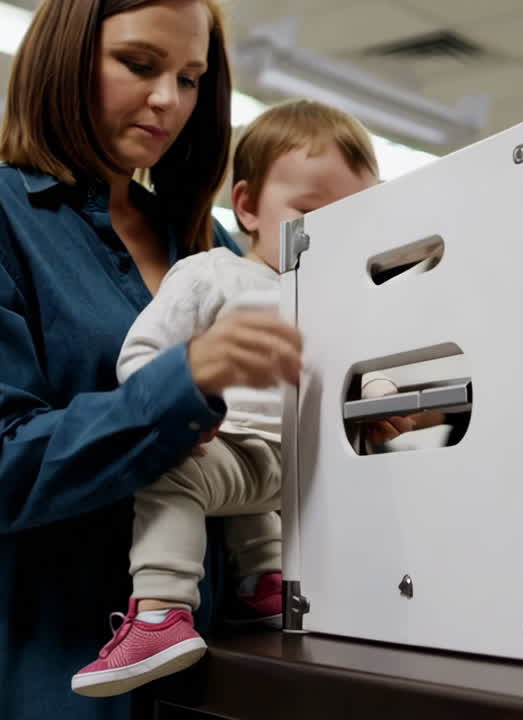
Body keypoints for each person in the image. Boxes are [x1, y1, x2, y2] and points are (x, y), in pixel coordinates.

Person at [0, 0, 316, 717]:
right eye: (139, 65)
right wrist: (183, 383)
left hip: (194, 674)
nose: (168, 100)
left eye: (190, 79)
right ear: (66, 58)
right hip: (30, 675)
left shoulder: (207, 244)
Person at [71, 99, 415, 697]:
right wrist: (178, 401)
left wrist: (382, 399)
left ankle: (267, 584)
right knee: (167, 467)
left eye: (353, 220)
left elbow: (362, 370)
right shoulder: (212, 275)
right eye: (308, 214)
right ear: (249, 207)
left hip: (305, 472)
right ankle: (160, 611)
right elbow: (141, 355)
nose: (329, 238)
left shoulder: (345, 297)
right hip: (227, 450)